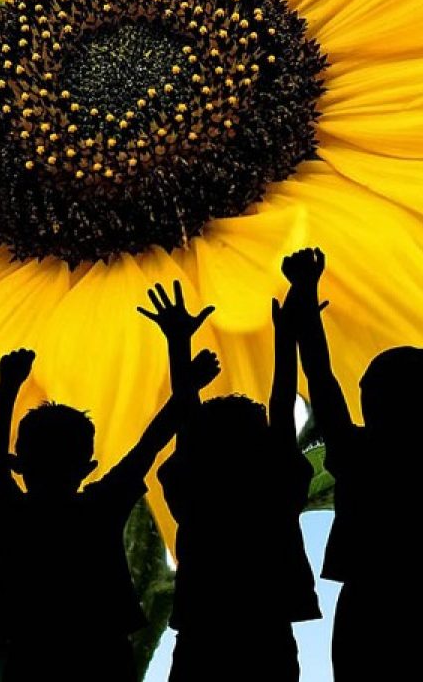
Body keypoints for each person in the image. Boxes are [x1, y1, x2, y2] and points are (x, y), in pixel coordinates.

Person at [289, 234, 423, 681]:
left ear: (369, 403)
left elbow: (320, 375)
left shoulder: (356, 452)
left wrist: (305, 292)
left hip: (369, 601)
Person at [0, 282, 219, 681]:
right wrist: (183, 361)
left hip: (32, 657)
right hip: (104, 655)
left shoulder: (8, 516)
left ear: (18, 463)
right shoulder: (99, 509)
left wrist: (7, 387)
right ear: (88, 466)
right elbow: (152, 443)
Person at [159, 261, 323, 681]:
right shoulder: (273, 482)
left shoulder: (197, 488)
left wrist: (179, 343)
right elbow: (282, 396)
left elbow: (186, 420)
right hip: (267, 624)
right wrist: (287, 334)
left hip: (203, 625)